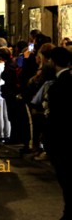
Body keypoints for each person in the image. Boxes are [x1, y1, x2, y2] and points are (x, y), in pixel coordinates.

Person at [45, 47, 72, 220]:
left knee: (66, 178)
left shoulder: (57, 87)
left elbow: (55, 117)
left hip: (62, 140)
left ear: (53, 62)